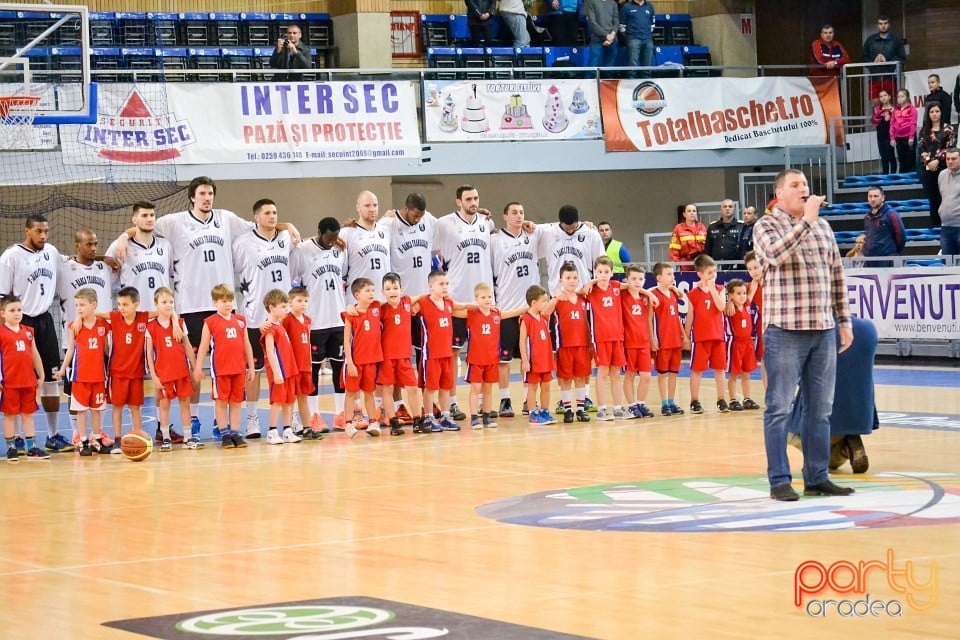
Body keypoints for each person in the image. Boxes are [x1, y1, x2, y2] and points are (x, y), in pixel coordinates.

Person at [111, 176, 298, 442]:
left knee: (230, 367)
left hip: (224, 307)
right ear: (192, 197)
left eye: (210, 193)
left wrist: (287, 225)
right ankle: (194, 419)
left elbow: (260, 222)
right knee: (192, 369)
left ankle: (244, 421)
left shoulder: (226, 218)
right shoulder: (175, 222)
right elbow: (144, 224)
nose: (207, 198)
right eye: (202, 194)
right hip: (190, 306)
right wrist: (122, 236)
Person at [752, 168, 855, 502]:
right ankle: (779, 480)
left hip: (823, 328)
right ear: (779, 193)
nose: (804, 190)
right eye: (796, 185)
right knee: (778, 407)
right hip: (785, 330)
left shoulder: (823, 226)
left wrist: (844, 320)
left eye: (806, 186)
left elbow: (836, 275)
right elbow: (776, 256)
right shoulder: (766, 225)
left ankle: (817, 476)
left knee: (820, 410)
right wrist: (807, 221)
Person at [0, 214, 72, 453]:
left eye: (46, 231)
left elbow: (74, 261)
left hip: (45, 321)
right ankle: (18, 438)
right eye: (38, 231)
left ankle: (53, 435)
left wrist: (109, 259)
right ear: (27, 231)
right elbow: (2, 297)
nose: (43, 236)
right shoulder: (11, 257)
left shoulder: (51, 251)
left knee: (51, 381)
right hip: (19, 323)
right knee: (19, 383)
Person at [232, 198, 292, 439]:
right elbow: (233, 271)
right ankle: (252, 419)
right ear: (256, 217)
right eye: (267, 212)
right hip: (256, 317)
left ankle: (290, 419)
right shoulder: (243, 243)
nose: (272, 216)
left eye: (275, 212)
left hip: (283, 320)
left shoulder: (286, 238)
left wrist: (289, 227)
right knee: (254, 371)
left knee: (287, 369)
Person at [434, 185, 494, 420]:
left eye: (476, 198)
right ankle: (451, 402)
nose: (473, 202)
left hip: (483, 303)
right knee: (452, 353)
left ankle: (481, 404)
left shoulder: (486, 223)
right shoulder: (445, 223)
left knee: (483, 354)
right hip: (458, 300)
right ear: (458, 201)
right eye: (468, 198)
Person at [56, 229, 116, 443]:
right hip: (75, 338)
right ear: (77, 246)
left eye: (96, 244)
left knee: (100, 391)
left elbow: (111, 258)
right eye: (88, 245)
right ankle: (77, 434)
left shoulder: (104, 268)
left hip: (101, 338)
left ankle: (97, 434)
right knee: (75, 393)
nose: (93, 248)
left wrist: (103, 257)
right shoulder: (64, 268)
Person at [290, 217, 348, 431]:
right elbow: (293, 277)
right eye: (329, 238)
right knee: (312, 370)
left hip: (337, 319)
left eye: (335, 237)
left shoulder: (340, 249)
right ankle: (313, 415)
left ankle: (341, 413)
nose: (332, 242)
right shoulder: (304, 250)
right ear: (320, 232)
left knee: (339, 368)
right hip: (314, 321)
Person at [491, 201, 540, 418]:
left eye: (521, 212)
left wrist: (585, 225)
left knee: (529, 360)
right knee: (504, 360)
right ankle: (504, 400)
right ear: (505, 216)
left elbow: (557, 228)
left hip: (530, 312)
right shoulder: (494, 240)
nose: (519, 216)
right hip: (507, 309)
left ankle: (529, 400)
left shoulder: (534, 235)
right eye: (514, 212)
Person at [191, 284, 255, 447]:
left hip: (239, 367)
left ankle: (235, 432)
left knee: (236, 402)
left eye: (230, 300)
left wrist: (251, 367)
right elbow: (204, 346)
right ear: (215, 302)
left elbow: (247, 344)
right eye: (223, 301)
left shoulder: (240, 321)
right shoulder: (210, 322)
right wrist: (198, 368)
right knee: (221, 402)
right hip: (220, 369)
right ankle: (224, 433)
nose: (227, 304)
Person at [458, 282, 526, 429]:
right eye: (483, 297)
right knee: (476, 388)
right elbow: (453, 311)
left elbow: (512, 313)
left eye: (490, 297)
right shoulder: (471, 314)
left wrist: (527, 309)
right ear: (476, 299)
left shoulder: (497, 314)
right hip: (476, 359)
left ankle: (487, 416)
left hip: (491, 359)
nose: (487, 300)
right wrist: (469, 306)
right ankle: (474, 417)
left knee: (488, 389)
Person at [145, 288, 205, 450]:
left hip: (181, 371)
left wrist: (195, 368)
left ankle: (187, 437)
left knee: (185, 403)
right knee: (164, 405)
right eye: (164, 302)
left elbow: (187, 347)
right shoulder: (151, 327)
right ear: (156, 305)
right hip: (163, 373)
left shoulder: (180, 324)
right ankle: (165, 437)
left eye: (171, 302)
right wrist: (154, 376)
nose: (168, 305)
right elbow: (149, 355)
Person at [54, 289, 110, 456]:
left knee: (96, 409)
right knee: (81, 410)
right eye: (77, 305)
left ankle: (97, 439)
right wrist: (63, 369)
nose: (78, 308)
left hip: (99, 375)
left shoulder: (103, 325)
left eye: (82, 305)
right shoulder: (75, 326)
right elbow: (70, 349)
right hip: (80, 376)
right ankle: (83, 440)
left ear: (93, 305)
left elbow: (107, 349)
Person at [0, 296, 49, 462]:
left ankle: (32, 448)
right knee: (10, 415)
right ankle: (12, 448)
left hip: (28, 381)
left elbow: (35, 355)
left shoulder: (28, 332)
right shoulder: (1, 333)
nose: (16, 314)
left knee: (28, 414)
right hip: (9, 382)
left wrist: (41, 375)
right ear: (3, 314)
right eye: (12, 311)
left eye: (19, 310)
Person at [376, 273, 425, 436]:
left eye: (395, 288)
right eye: (388, 288)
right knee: (388, 390)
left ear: (401, 289)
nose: (392, 291)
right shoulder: (380, 309)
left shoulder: (407, 302)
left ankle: (418, 420)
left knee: (412, 388)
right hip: (387, 358)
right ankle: (393, 422)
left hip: (404, 357)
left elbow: (425, 296)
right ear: (382, 291)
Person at [416, 270, 463, 433]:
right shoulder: (422, 302)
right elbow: (405, 306)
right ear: (431, 286)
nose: (445, 287)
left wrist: (481, 305)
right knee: (430, 388)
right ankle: (428, 417)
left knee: (445, 387)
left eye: (447, 284)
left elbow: (463, 308)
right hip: (431, 355)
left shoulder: (449, 304)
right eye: (441, 284)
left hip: (446, 354)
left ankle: (445, 416)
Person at [683, 254, 730, 414]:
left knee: (720, 370)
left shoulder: (720, 289)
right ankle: (694, 400)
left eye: (714, 272)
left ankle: (721, 399)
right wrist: (686, 336)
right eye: (709, 273)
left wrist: (711, 289)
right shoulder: (693, 294)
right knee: (697, 370)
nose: (713, 276)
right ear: (700, 274)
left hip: (718, 336)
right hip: (700, 338)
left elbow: (721, 307)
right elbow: (690, 316)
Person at [105, 201, 172, 312]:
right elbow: (107, 279)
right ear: (134, 220)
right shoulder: (119, 246)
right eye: (144, 216)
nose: (149, 219)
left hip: (161, 315)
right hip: (133, 315)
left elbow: (173, 274)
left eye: (152, 215)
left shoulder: (166, 245)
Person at [106, 287, 151, 449]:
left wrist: (173, 314)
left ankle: (138, 436)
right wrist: (79, 319)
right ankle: (117, 439)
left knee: (135, 407)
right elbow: (95, 314)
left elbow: (161, 312)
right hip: (117, 372)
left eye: (125, 304)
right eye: (119, 304)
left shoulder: (143, 318)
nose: (121, 308)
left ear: (136, 305)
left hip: (136, 372)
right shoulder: (116, 317)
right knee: (117, 406)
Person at [583, 256, 626, 420]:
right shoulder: (591, 290)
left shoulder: (616, 286)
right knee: (602, 372)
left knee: (616, 373)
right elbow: (579, 291)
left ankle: (617, 407)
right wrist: (591, 282)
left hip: (617, 336)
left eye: (606, 271)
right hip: (600, 337)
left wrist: (648, 294)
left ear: (612, 272)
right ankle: (601, 408)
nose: (603, 275)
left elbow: (632, 285)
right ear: (595, 272)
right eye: (599, 271)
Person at [256, 289, 301, 444]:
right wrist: (276, 372)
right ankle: (272, 431)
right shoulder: (270, 329)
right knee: (277, 401)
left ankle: (287, 430)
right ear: (271, 307)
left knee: (289, 401)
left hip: (288, 369)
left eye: (286, 306)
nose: (286, 310)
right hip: (279, 371)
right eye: (282, 307)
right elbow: (269, 351)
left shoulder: (280, 325)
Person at [552, 263, 592, 423]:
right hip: (564, 345)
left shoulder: (583, 298)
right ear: (561, 280)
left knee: (581, 377)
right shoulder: (558, 300)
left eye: (575, 278)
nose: (572, 281)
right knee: (566, 378)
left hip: (582, 345)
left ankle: (581, 409)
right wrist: (555, 298)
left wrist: (590, 283)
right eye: (568, 278)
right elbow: (546, 312)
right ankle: (568, 409)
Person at [283, 286, 323, 440]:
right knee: (290, 398)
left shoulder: (307, 320)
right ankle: (289, 427)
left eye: (305, 301)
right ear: (290, 302)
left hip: (306, 365)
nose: (303, 304)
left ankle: (307, 428)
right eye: (299, 301)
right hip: (292, 366)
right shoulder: (286, 319)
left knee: (303, 397)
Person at [649, 261, 685, 415]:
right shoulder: (653, 295)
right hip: (662, 340)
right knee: (663, 374)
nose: (672, 277)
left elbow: (676, 316)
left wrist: (683, 334)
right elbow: (648, 319)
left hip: (675, 339)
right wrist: (652, 338)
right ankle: (664, 403)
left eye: (673, 274)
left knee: (673, 373)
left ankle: (671, 400)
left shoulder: (673, 294)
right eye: (669, 274)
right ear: (659, 277)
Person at [620, 265, 656, 419]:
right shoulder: (621, 295)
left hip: (644, 343)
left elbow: (649, 320)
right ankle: (631, 405)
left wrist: (652, 338)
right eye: (633, 279)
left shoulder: (646, 299)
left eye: (640, 279)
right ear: (627, 279)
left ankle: (641, 402)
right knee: (630, 375)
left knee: (646, 376)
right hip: (629, 343)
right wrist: (646, 290)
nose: (637, 282)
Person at [341, 191, 391, 300]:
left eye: (375, 205)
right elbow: (342, 270)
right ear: (358, 207)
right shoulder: (347, 232)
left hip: (383, 298)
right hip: (358, 300)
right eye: (367, 205)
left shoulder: (385, 230)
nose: (372, 209)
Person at [520, 285, 557, 425]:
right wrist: (525, 360)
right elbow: (522, 341)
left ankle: (545, 411)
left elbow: (552, 305)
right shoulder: (526, 319)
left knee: (546, 385)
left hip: (545, 359)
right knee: (532, 386)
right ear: (534, 302)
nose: (546, 303)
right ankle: (533, 413)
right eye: (543, 301)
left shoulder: (543, 317)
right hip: (533, 360)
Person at [723, 279, 759, 413]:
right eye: (738, 293)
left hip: (747, 343)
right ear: (731, 295)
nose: (743, 295)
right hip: (735, 343)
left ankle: (747, 399)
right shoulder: (728, 308)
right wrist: (729, 302)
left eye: (744, 293)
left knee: (746, 373)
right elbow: (721, 302)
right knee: (734, 374)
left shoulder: (748, 303)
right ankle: (732, 400)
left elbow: (754, 285)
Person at [918, 104, 955, 227]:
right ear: (928, 114)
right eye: (932, 111)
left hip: (944, 167)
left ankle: (946, 223)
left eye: (937, 111)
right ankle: (935, 224)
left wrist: (938, 161)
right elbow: (922, 148)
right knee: (932, 196)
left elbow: (949, 148)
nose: (934, 114)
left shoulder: (948, 129)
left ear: (941, 112)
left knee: (944, 195)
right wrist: (929, 161)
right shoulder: (924, 130)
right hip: (928, 168)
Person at [861, 15, 906, 99]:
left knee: (891, 102)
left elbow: (902, 57)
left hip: (890, 76)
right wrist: (873, 62)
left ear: (889, 24)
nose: (883, 26)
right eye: (880, 23)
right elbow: (863, 57)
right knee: (876, 103)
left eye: (885, 23)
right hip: (875, 76)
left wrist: (887, 61)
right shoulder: (870, 40)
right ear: (877, 25)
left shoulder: (895, 40)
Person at [862, 186, 905, 264]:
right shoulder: (867, 216)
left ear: (883, 198)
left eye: (876, 196)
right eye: (870, 196)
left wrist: (892, 252)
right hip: (870, 260)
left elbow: (901, 236)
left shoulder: (891, 214)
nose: (872, 199)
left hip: (887, 260)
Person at [619, 0, 655, 76]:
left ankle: (646, 86)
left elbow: (652, 25)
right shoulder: (626, 7)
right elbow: (622, 27)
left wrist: (646, 34)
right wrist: (630, 37)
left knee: (647, 68)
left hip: (648, 40)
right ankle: (631, 86)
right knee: (632, 68)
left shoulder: (650, 6)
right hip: (633, 40)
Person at [704, 199, 743, 267]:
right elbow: (707, 249)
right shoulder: (712, 227)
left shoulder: (741, 226)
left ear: (734, 209)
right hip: (716, 266)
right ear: (721, 209)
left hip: (737, 266)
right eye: (725, 206)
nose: (727, 209)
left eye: (730, 206)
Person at [668, 203, 706, 270]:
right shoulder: (678, 228)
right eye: (689, 211)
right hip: (685, 265)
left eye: (694, 211)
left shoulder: (702, 227)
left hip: (701, 264)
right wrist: (676, 266)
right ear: (684, 214)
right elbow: (674, 250)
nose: (692, 213)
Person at [938, 148, 960, 256]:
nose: (950, 161)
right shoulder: (942, 175)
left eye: (954, 159)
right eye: (948, 159)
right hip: (945, 227)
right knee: (947, 265)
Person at [889, 89, 917, 174]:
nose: (900, 98)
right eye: (898, 97)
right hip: (899, 138)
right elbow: (892, 123)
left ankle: (911, 179)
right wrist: (892, 138)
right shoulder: (895, 110)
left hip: (908, 138)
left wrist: (911, 137)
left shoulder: (912, 109)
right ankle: (902, 179)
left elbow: (913, 123)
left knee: (910, 159)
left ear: (907, 97)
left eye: (902, 96)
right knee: (901, 159)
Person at [585, 0, 619, 68]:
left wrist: (612, 36)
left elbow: (616, 21)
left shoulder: (613, 3)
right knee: (593, 68)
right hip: (597, 39)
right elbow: (592, 22)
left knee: (609, 70)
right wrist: (607, 36)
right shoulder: (591, 2)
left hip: (612, 39)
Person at [872, 90, 897, 174]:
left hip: (890, 135)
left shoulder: (894, 109)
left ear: (889, 97)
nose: (883, 98)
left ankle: (893, 175)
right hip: (880, 135)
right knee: (883, 156)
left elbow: (897, 122)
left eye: (885, 95)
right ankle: (885, 174)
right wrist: (883, 119)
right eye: (881, 96)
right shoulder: (876, 109)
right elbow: (874, 120)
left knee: (891, 155)